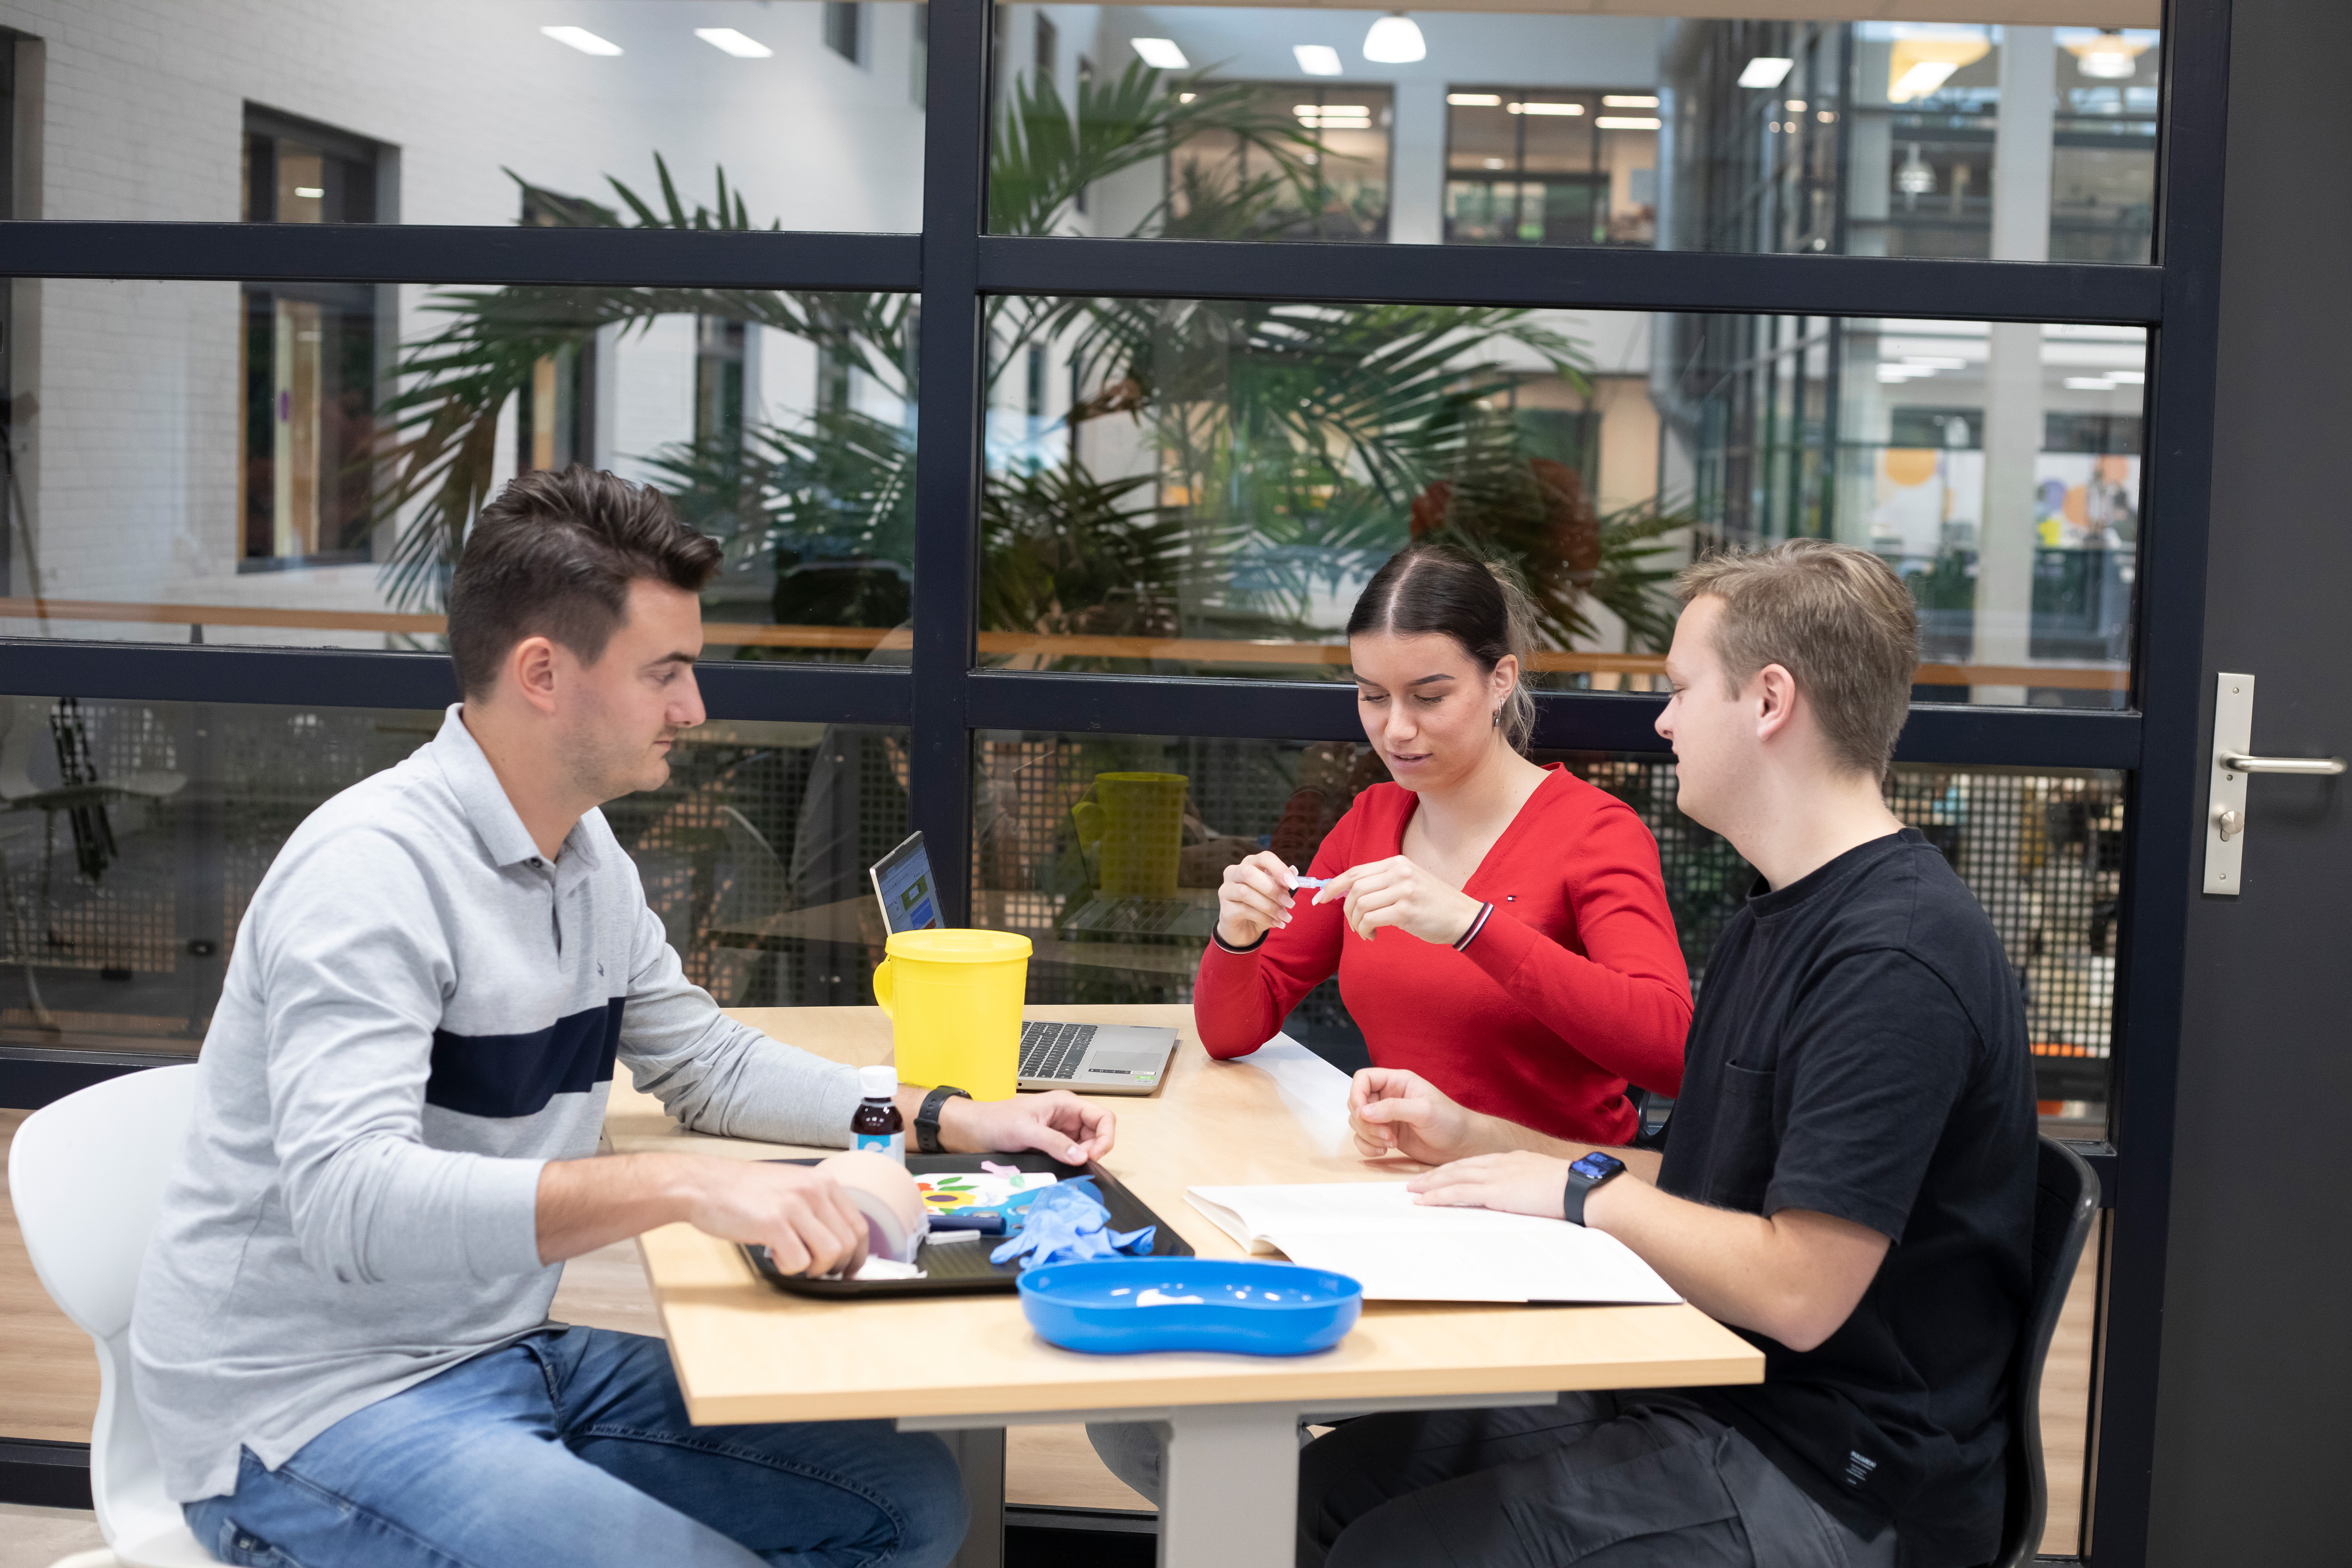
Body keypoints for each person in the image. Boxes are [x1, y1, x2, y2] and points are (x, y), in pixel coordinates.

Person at [130, 467, 1117, 1568]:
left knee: (907, 1500)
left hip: (497, 1351)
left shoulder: (581, 850)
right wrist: (689, 1184)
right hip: (303, 1411)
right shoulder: (371, 872)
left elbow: (701, 1062)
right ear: (543, 672)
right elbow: (348, 1203)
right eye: (666, 673)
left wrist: (952, 1114)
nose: (694, 709)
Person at [1302, 540, 2036, 1568]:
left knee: (1395, 1553)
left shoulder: (1894, 958)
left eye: (1681, 689)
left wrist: (1585, 1192)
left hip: (1835, 1469)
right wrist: (1487, 1139)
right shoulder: (1776, 917)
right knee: (1315, 1494)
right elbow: (1708, 1184)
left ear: (1768, 700)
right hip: (1706, 1381)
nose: (1662, 721)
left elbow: (1797, 1287)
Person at [1197, 541, 1691, 1146]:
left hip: (1557, 1203)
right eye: (1373, 696)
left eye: (1429, 697)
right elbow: (1230, 1033)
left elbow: (1673, 1052)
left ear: (1500, 681)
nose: (1397, 728)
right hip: (1408, 1190)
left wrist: (1472, 925)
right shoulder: (1372, 820)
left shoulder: (1595, 833)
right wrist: (1237, 936)